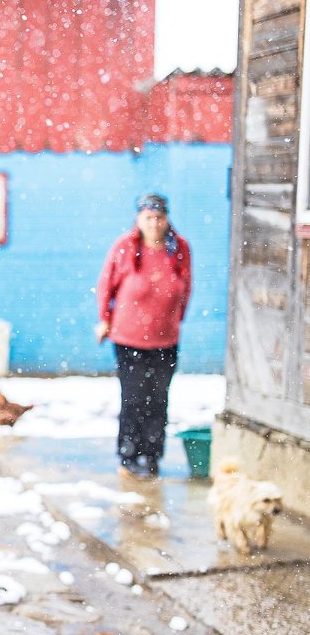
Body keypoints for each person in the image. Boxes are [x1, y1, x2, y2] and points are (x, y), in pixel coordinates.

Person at [95, 193, 192, 480]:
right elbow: (106, 284)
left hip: (165, 339)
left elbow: (186, 287)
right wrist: (104, 319)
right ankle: (128, 454)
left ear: (166, 219)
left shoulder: (179, 247)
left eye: (159, 217)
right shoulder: (126, 247)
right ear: (139, 219)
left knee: (158, 399)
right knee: (134, 397)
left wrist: (175, 319)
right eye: (148, 217)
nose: (154, 223)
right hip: (128, 338)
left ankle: (151, 456)